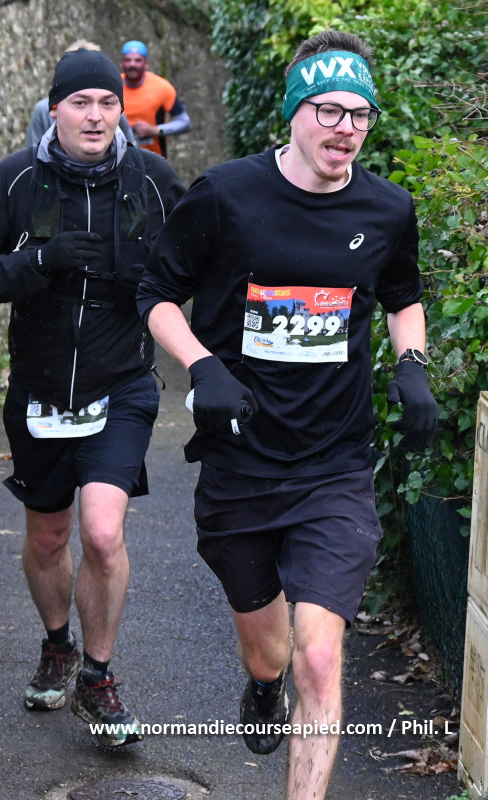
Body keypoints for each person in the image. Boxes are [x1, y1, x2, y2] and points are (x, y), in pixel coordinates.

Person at [137, 29, 438, 799]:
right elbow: (157, 295)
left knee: (320, 656)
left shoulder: (387, 207)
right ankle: (262, 684)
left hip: (334, 465)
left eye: (360, 114)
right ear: (295, 112)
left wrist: (412, 367)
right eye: (329, 110)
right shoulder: (226, 195)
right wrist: (204, 366)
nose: (346, 128)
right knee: (270, 652)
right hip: (240, 460)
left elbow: (402, 296)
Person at [0, 48, 184, 747]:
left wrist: (160, 298)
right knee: (48, 536)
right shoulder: (18, 179)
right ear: (54, 108)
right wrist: (37, 263)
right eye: (80, 102)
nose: (94, 115)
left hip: (122, 386)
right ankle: (58, 645)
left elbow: (204, 263)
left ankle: (98, 678)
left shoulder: (153, 182)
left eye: (107, 103)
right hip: (41, 389)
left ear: (121, 110)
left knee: (103, 534)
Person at [25, 40, 137, 147]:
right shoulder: (43, 111)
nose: (95, 117)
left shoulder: (114, 112)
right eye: (80, 103)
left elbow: (130, 149)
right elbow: (32, 153)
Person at [120, 40, 191, 158]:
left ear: (146, 63)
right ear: (121, 62)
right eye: (128, 60)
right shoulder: (113, 86)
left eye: (137, 60)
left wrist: (155, 130)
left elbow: (185, 123)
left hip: (154, 158)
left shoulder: (162, 87)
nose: (132, 64)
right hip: (118, 157)